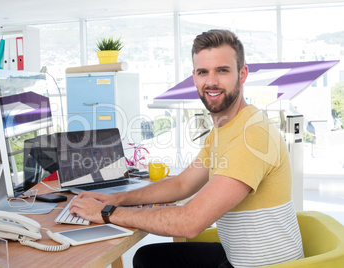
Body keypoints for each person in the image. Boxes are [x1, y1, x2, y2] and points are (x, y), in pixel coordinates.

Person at [69, 29, 304, 268]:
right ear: (194, 78)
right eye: (203, 72)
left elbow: (190, 223)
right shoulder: (223, 130)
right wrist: (117, 199)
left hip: (266, 266)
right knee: (147, 259)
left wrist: (106, 212)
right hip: (238, 257)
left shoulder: (251, 134)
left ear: (242, 74)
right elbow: (182, 184)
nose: (211, 82)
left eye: (222, 70)